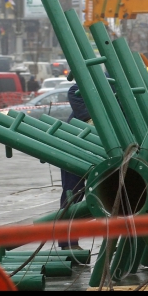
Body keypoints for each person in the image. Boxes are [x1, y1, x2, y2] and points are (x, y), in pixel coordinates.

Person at [57, 80, 91, 251]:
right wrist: (89, 117)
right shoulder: (106, 80)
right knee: (73, 193)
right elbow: (74, 91)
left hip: (98, 146)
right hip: (75, 144)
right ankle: (68, 243)